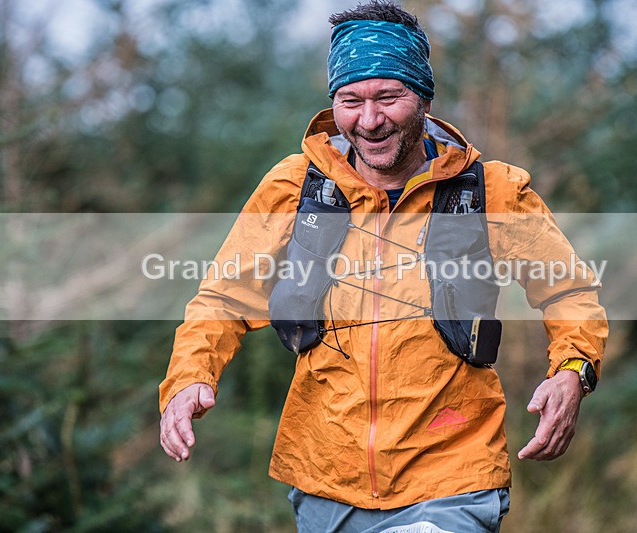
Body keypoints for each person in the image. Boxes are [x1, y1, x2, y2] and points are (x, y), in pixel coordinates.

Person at [159, 2, 608, 531]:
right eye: (351, 101)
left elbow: (568, 292)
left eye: (388, 97)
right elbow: (224, 297)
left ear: (422, 97)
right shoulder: (295, 186)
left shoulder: (493, 190)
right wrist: (190, 375)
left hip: (451, 475)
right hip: (325, 479)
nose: (368, 121)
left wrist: (573, 373)